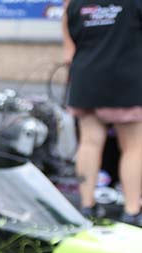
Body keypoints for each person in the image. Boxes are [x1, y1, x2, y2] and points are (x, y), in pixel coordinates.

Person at [63, 0, 142, 225]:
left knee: (89, 143)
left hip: (86, 79)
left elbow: (70, 48)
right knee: (133, 147)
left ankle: (87, 206)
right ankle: (132, 210)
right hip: (125, 79)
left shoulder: (75, 3)